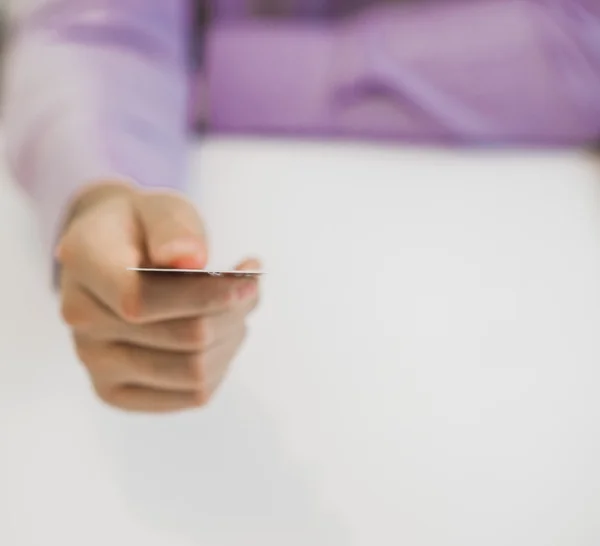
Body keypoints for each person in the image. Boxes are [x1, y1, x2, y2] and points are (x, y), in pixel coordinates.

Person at [3, 0, 600, 416]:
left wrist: (209, 69)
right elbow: (96, 29)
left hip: (524, 287)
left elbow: (583, 46)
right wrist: (102, 194)